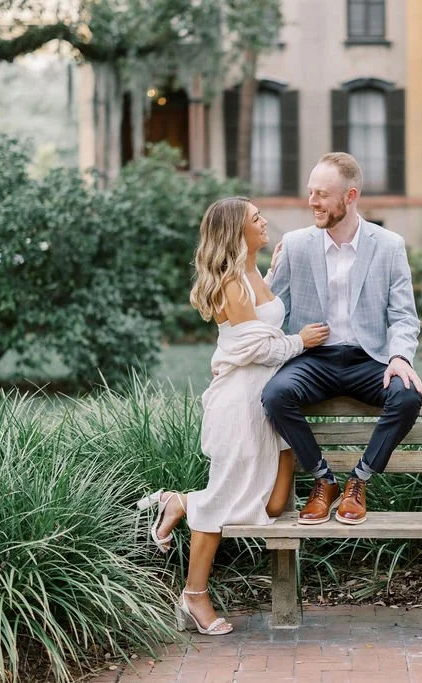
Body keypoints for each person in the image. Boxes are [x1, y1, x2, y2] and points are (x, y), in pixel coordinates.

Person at [138, 197, 329, 636]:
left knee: (274, 504)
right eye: (255, 219)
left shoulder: (254, 274)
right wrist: (300, 341)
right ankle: (193, 597)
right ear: (236, 232)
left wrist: (274, 271)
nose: (265, 222)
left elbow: (265, 320)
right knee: (225, 503)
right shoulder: (231, 285)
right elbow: (259, 347)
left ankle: (181, 502)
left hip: (268, 401)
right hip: (240, 406)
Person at [262, 152, 422, 527]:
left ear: (350, 197)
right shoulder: (297, 244)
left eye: (322, 194)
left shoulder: (388, 245)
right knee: (275, 395)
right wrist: (268, 276)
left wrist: (400, 357)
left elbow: (403, 315)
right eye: (310, 192)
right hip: (313, 359)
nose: (312, 202)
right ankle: (324, 480)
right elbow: (273, 310)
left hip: (368, 358)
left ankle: (359, 480)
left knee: (407, 395)